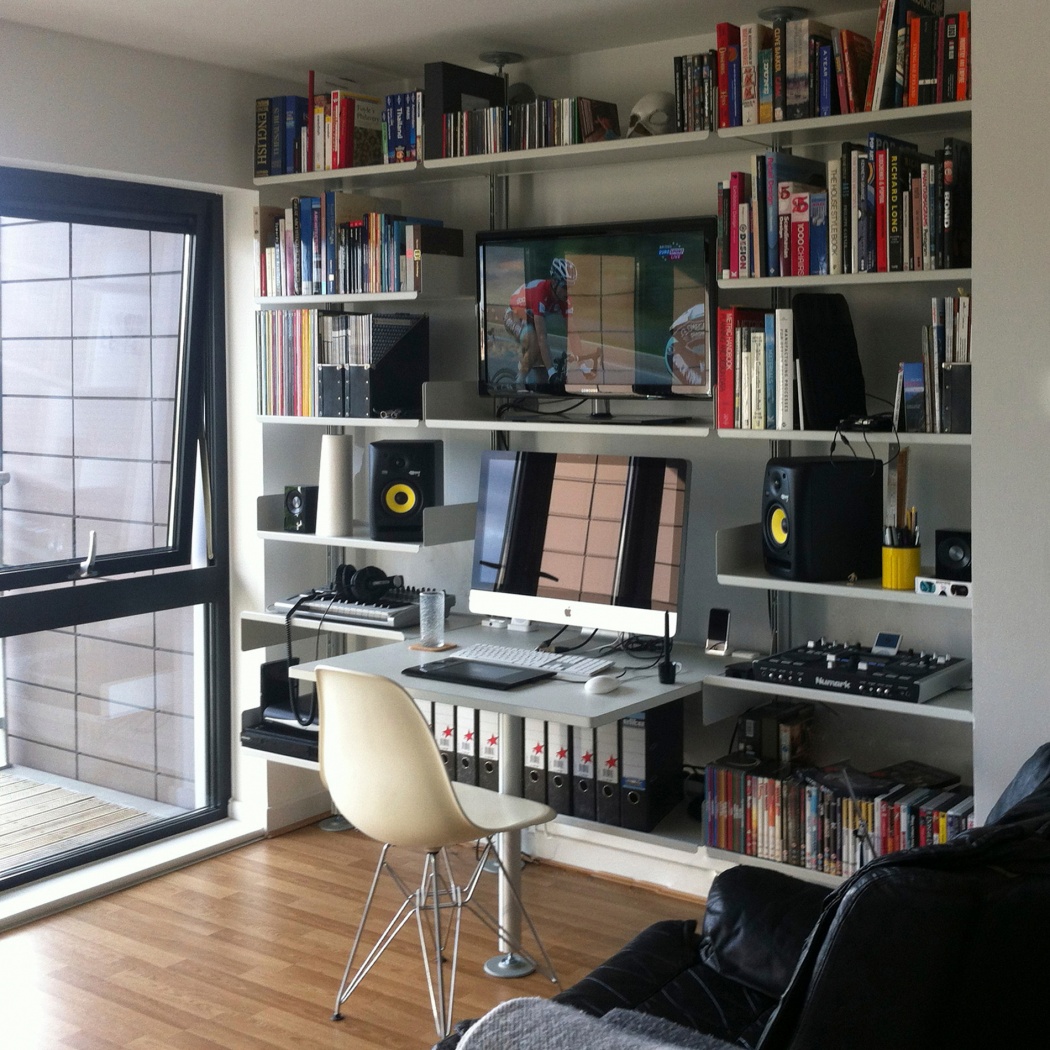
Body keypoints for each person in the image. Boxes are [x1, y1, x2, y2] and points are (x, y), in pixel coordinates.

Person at [504, 258, 578, 384]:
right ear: (554, 282)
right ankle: (519, 382)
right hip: (514, 316)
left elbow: (573, 333)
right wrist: (552, 372)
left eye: (571, 287)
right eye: (565, 286)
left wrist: (582, 364)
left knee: (544, 380)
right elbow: (542, 338)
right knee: (536, 343)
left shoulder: (564, 299)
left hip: (530, 320)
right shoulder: (540, 292)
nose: (568, 291)